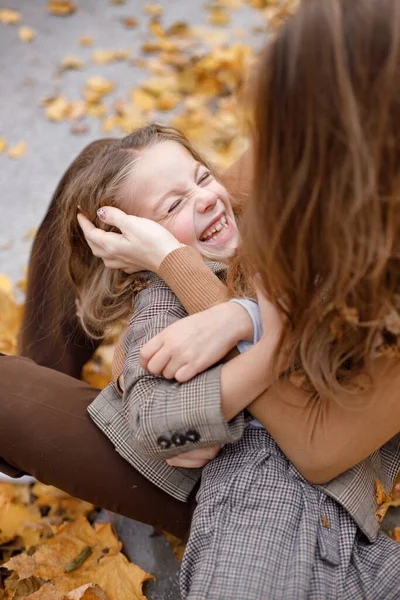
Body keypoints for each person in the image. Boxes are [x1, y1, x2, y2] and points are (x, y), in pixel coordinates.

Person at [76, 0, 400, 598]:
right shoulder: (284, 173)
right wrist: (169, 288)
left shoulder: (366, 271)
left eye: (288, 125)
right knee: (99, 169)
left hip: (301, 477)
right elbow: (227, 189)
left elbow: (316, 448)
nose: (210, 192)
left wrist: (204, 287)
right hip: (212, 458)